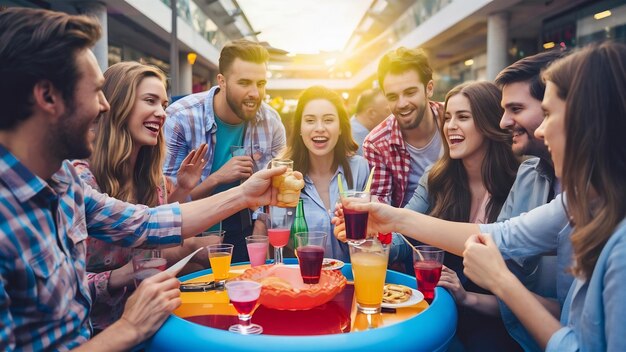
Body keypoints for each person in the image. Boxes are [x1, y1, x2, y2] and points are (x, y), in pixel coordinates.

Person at [0, 8, 287, 350]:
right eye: (95, 92)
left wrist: (245, 195)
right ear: (47, 97)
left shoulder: (64, 183)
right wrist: (128, 327)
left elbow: (146, 224)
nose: (104, 106)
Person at [337, 42, 626, 351]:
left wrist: (497, 282)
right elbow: (501, 236)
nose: (541, 129)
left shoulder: (531, 179)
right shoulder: (566, 193)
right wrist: (388, 220)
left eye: (547, 114)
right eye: (448, 118)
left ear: (586, 120)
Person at [71, 62, 214, 332]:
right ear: (116, 105)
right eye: (150, 101)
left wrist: (183, 192)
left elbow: (154, 244)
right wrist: (120, 276)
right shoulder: (80, 179)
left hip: (149, 321)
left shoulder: (152, 179)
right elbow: (63, 288)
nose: (161, 113)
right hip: (92, 333)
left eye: (163, 104)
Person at [163, 39, 286, 263]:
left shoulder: (271, 122)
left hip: (244, 227)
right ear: (222, 81)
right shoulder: (180, 118)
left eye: (260, 84)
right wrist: (217, 178)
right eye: (245, 83)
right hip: (189, 231)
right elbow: (166, 206)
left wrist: (260, 223)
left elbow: (277, 187)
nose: (255, 93)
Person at [282, 86, 369, 261]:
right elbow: (275, 239)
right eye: (310, 120)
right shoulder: (285, 176)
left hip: (351, 279)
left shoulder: (360, 168)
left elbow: (372, 239)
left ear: (341, 128)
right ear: (299, 128)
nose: (319, 128)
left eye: (328, 120)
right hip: (302, 281)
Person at [362, 47, 443, 208]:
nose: (402, 104)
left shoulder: (455, 119)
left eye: (410, 92)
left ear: (429, 88)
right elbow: (381, 205)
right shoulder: (376, 143)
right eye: (392, 97)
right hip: (407, 230)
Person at [350, 88, 390, 155]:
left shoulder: (350, 127)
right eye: (387, 111)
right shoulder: (361, 141)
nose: (392, 115)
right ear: (371, 113)